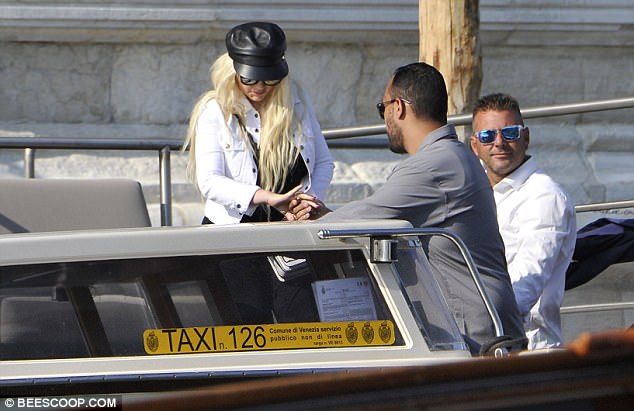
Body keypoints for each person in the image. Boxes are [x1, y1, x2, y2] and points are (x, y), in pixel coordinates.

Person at [290, 62, 525, 355]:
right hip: (487, 330)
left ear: (398, 107)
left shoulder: (432, 166)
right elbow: (372, 214)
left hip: (476, 341)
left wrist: (298, 224)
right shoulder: (454, 156)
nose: (384, 118)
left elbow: (358, 220)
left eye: (382, 108)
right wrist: (326, 215)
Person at [184, 21, 334, 225]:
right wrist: (265, 197)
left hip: (291, 226)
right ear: (232, 73)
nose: (260, 87)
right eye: (249, 79)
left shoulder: (296, 101)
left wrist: (307, 202)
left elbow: (323, 162)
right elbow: (210, 181)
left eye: (270, 79)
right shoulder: (215, 111)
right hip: (232, 229)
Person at [470, 93, 576, 349]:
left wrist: (476, 322)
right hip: (483, 340)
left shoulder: (545, 195)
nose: (499, 143)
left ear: (526, 138)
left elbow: (529, 279)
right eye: (487, 136)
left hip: (527, 348)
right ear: (474, 145)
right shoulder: (473, 191)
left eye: (510, 133)